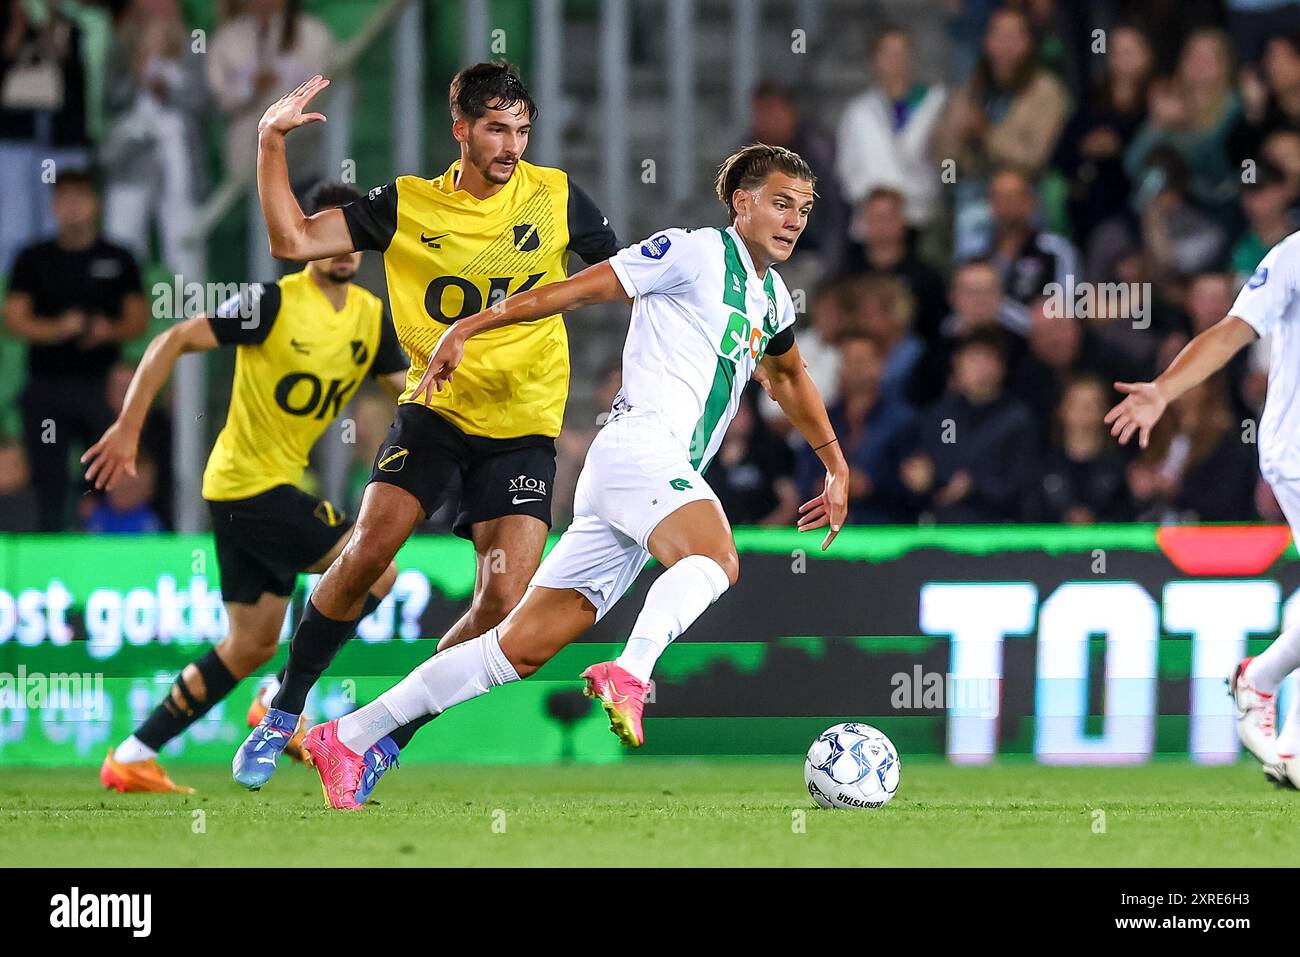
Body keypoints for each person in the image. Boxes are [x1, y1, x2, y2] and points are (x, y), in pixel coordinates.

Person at [295, 144, 850, 810]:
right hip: (639, 451)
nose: (794, 220)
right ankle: (631, 674)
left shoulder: (770, 298)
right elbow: (572, 291)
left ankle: (347, 735)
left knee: (516, 650)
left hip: (638, 481)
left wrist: (835, 462)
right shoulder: (694, 251)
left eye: (805, 209)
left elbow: (787, 374)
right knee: (715, 557)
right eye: (781, 202)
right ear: (742, 202)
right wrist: (470, 325)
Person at [231, 64, 619, 796]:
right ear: (461, 130)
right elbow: (291, 239)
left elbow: (623, 276)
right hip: (435, 412)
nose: (512, 145)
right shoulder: (406, 205)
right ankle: (283, 708)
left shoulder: (558, 196)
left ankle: (382, 734)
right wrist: (268, 141)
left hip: (525, 427)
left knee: (503, 602)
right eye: (497, 129)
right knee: (370, 550)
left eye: (522, 129)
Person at [87, 183, 408, 794]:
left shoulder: (371, 318)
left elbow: (414, 394)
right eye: (331, 234)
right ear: (307, 238)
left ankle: (131, 754)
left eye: (354, 237)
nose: (344, 249)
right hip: (247, 488)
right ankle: (279, 700)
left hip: (260, 490)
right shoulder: (271, 304)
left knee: (250, 642)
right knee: (378, 568)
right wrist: (128, 426)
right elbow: (173, 339)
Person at [1104, 228, 1300, 785]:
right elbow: (1231, 332)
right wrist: (1164, 390)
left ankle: (1285, 738)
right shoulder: (1293, 256)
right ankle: (1262, 684)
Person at [2, 170, 147, 531]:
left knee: (106, 472)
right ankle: (50, 549)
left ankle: (106, 538)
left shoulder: (118, 257)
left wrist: (106, 330)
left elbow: (138, 320)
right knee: (46, 474)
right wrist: (59, 328)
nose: (73, 208)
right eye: (65, 199)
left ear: (95, 203)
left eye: (80, 198)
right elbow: (14, 320)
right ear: (54, 205)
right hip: (47, 385)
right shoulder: (34, 258)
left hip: (101, 387)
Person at [835, 27, 946, 229]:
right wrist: (876, 203)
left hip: (921, 217)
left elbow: (945, 164)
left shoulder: (933, 103)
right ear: (875, 60)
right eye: (887, 53)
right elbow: (847, 170)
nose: (894, 61)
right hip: (872, 222)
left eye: (901, 53)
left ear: (912, 57)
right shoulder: (858, 111)